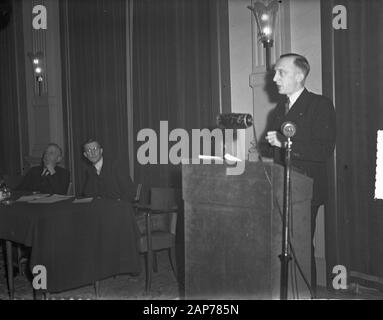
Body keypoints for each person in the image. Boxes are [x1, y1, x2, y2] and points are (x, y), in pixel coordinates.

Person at [264, 53, 336, 296]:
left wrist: (285, 144)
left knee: (301, 249)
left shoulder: (320, 105)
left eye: (280, 72)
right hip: (280, 188)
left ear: (299, 75)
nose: (274, 78)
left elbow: (323, 150)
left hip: (305, 190)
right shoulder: (278, 111)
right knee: (279, 247)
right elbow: (270, 150)